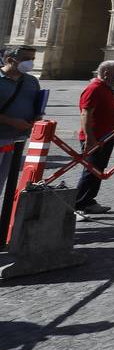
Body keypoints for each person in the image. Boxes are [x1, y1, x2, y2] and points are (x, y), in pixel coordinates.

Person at [0, 45, 42, 244]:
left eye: (33, 58)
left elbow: (36, 105)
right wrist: (11, 121)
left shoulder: (31, 82)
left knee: (2, 182)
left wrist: (37, 117)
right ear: (9, 59)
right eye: (26, 58)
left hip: (17, 140)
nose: (30, 62)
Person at [74, 60, 114, 215]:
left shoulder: (106, 88)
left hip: (105, 137)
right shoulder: (94, 88)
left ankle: (89, 201)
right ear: (106, 73)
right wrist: (90, 138)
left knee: (97, 170)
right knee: (91, 170)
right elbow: (86, 113)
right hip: (95, 138)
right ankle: (78, 205)